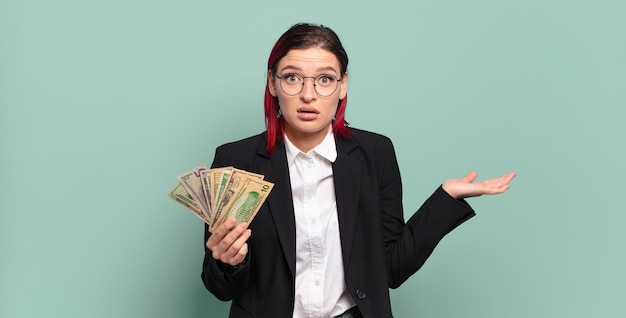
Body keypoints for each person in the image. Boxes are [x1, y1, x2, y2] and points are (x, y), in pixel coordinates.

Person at [201, 23, 516, 318]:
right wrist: (228, 263)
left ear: (342, 86)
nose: (308, 95)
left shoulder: (375, 154)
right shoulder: (235, 161)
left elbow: (391, 268)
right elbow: (219, 288)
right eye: (292, 77)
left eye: (324, 79)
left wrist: (446, 198)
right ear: (273, 83)